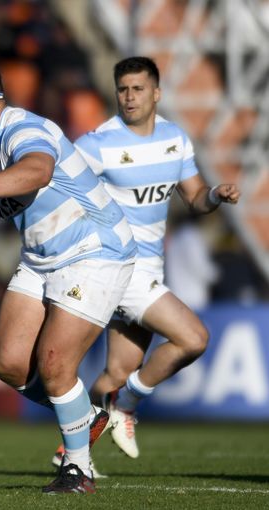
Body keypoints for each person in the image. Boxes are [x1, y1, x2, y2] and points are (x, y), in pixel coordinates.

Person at [0, 59, 137, 494]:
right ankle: (87, 416)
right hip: (42, 256)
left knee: (56, 365)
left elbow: (37, 171)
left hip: (94, 250)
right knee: (8, 363)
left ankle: (78, 470)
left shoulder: (25, 128)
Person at [66, 56, 240, 460]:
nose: (129, 97)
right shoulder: (96, 144)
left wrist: (215, 195)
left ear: (156, 93)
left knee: (116, 371)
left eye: (138, 89)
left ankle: (72, 454)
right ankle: (126, 404)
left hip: (150, 267)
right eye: (123, 89)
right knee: (194, 338)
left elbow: (195, 197)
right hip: (118, 267)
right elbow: (60, 189)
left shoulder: (174, 140)